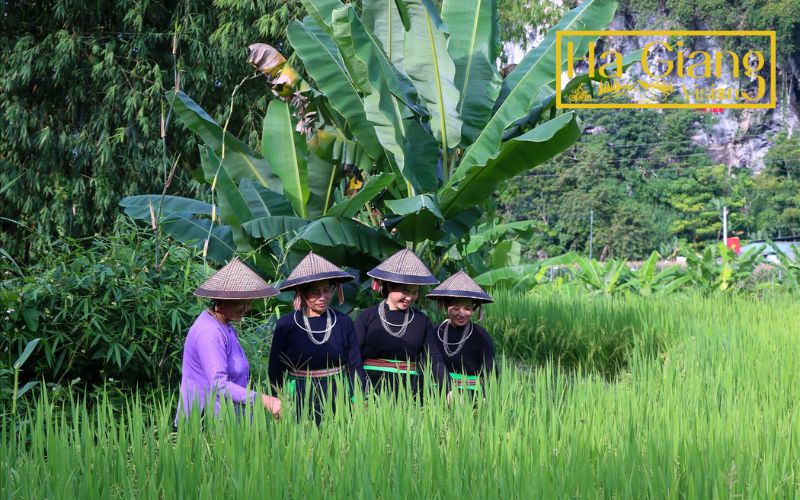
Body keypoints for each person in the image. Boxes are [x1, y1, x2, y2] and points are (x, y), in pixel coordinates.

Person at [176, 258, 282, 424]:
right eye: (241, 302)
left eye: (249, 303)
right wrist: (265, 400)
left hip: (227, 421)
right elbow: (219, 384)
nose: (246, 308)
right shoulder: (209, 332)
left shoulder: (225, 325)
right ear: (221, 300)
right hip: (204, 424)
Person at [268, 252, 365, 424]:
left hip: (338, 394)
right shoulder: (286, 325)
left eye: (327, 290)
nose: (323, 297)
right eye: (315, 292)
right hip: (299, 395)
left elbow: (354, 364)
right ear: (302, 294)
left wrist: (358, 398)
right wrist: (277, 399)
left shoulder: (343, 322)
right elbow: (276, 369)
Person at [355, 249, 446, 398]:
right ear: (389, 286)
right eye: (405, 291)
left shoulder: (421, 321)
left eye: (414, 292)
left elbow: (435, 359)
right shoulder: (367, 317)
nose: (410, 298)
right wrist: (357, 387)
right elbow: (354, 356)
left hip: (410, 392)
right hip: (371, 389)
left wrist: (449, 390)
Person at [427, 271, 496, 393]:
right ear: (445, 306)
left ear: (474, 309)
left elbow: (489, 369)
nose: (462, 313)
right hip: (439, 393)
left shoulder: (480, 335)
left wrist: (485, 396)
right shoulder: (435, 332)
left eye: (468, 308)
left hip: (471, 395)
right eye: (456, 308)